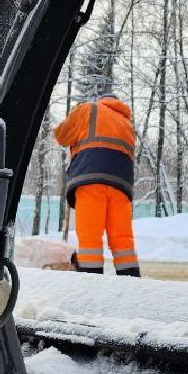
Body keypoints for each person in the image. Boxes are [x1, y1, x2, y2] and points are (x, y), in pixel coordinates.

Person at [53, 94, 140, 277]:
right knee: (123, 241)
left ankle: (90, 282)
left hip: (91, 180)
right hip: (121, 186)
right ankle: (132, 285)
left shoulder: (89, 109)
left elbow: (63, 135)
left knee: (90, 238)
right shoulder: (126, 123)